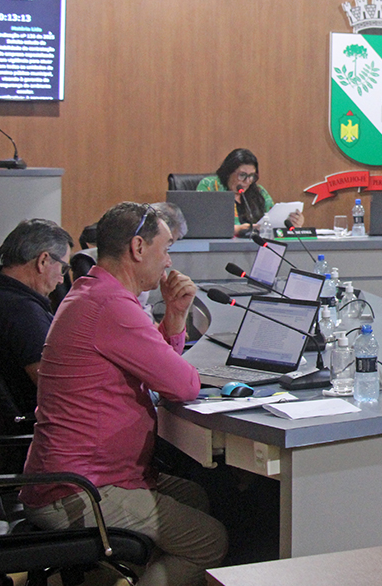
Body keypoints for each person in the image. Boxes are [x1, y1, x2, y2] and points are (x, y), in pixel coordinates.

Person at [20, 202, 227, 586]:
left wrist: (175, 317)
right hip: (78, 488)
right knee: (210, 541)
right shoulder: (112, 306)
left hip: (78, 475)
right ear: (137, 248)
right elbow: (182, 385)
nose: (168, 261)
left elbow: (149, 363)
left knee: (195, 497)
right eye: (165, 249)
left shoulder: (94, 292)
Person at [0, 219, 73, 412]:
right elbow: (55, 388)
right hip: (44, 425)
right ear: (43, 261)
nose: (61, 280)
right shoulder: (22, 312)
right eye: (63, 269)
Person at [197, 148, 303, 237]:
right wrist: (236, 229)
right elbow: (200, 222)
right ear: (228, 172)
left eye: (252, 176)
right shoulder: (210, 185)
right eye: (242, 175)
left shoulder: (259, 192)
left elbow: (272, 220)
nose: (247, 181)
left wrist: (291, 223)